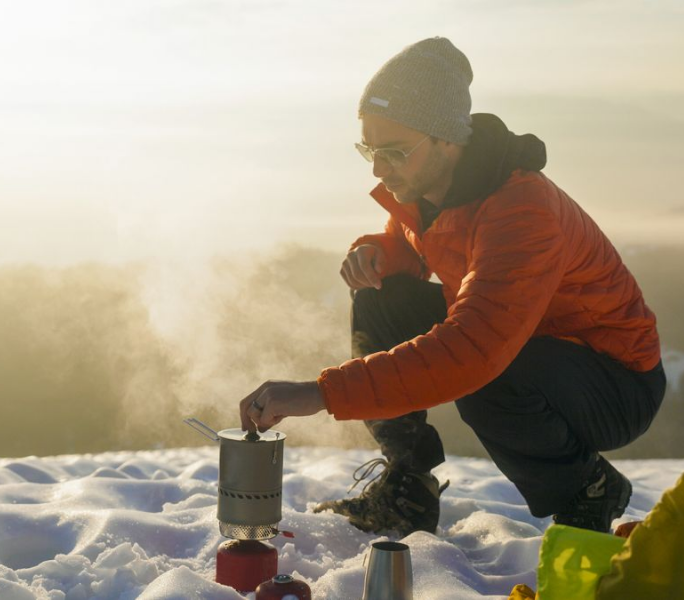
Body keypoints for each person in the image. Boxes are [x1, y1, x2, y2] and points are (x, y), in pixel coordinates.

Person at [238, 37, 666, 537]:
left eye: (393, 151)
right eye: (369, 149)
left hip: (614, 383)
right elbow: (416, 240)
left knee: (489, 373)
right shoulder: (435, 189)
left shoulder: (522, 210)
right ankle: (408, 486)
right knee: (383, 296)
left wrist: (319, 393)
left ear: (447, 140)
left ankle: (587, 487)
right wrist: (381, 253)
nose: (378, 169)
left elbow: (474, 348)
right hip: (535, 346)